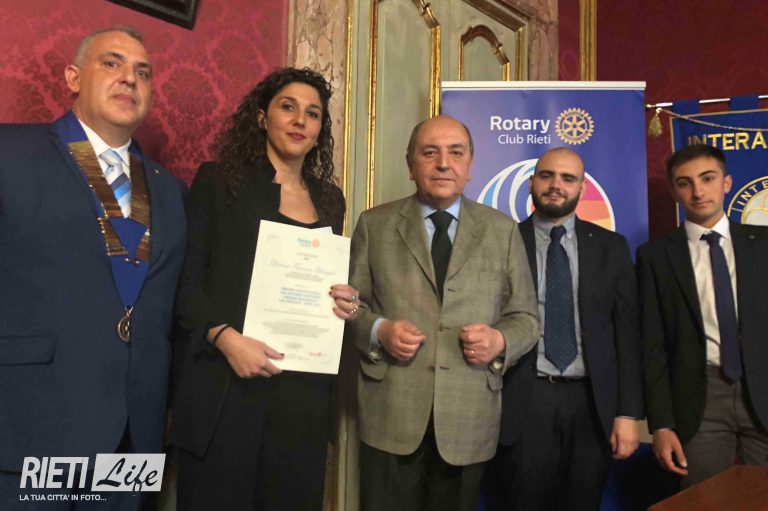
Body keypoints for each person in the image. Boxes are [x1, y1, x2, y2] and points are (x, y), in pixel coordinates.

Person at [0, 28, 187, 509]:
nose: (130, 78)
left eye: (143, 72)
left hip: (134, 435)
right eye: (112, 63)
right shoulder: (9, 153)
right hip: (30, 426)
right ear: (73, 77)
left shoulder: (171, 191)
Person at [170, 67, 357, 511]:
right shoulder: (220, 181)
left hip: (302, 398)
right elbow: (186, 282)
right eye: (287, 107)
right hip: (225, 385)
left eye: (313, 113)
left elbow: (323, 285)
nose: (300, 120)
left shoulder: (330, 199)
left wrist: (344, 302)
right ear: (261, 117)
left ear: (320, 129)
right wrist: (224, 338)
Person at [346, 115, 540, 511]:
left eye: (456, 153)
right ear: (410, 164)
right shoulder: (374, 225)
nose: (443, 164)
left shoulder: (503, 231)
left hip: (468, 416)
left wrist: (499, 340)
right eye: (429, 152)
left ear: (470, 165)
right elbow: (350, 309)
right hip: (391, 413)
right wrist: (380, 330)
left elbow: (527, 318)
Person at [486, 147, 643, 510]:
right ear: (531, 183)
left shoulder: (611, 247)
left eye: (568, 178)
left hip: (591, 403)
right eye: (547, 176)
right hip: (524, 398)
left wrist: (628, 412)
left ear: (582, 188)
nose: (556, 185)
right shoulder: (501, 242)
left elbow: (627, 335)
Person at [637, 144, 768, 488]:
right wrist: (661, 424)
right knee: (704, 500)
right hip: (699, 398)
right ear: (674, 191)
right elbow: (652, 346)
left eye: (707, 179)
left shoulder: (763, 244)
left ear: (727, 183)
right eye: (685, 183)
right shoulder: (655, 256)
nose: (698, 191)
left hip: (763, 388)